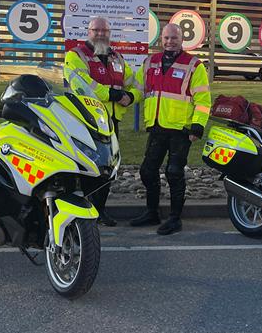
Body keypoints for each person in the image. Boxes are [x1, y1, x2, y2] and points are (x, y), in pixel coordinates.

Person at [130, 23, 211, 235]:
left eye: (174, 38)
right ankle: (152, 212)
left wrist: (198, 125)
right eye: (166, 38)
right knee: (147, 171)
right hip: (157, 127)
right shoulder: (151, 62)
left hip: (181, 130)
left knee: (174, 173)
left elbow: (203, 99)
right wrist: (126, 97)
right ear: (161, 39)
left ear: (181, 39)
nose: (169, 41)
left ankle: (175, 219)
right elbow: (139, 89)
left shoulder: (194, 65)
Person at [64, 16, 140, 227]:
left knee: (107, 168)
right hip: (85, 121)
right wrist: (115, 94)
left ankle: (100, 211)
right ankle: (82, 211)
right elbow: (82, 84)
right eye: (96, 30)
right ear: (88, 31)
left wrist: (131, 96)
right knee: (86, 167)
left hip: (110, 124)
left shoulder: (117, 58)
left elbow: (133, 83)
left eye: (104, 31)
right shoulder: (76, 55)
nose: (100, 34)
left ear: (109, 33)